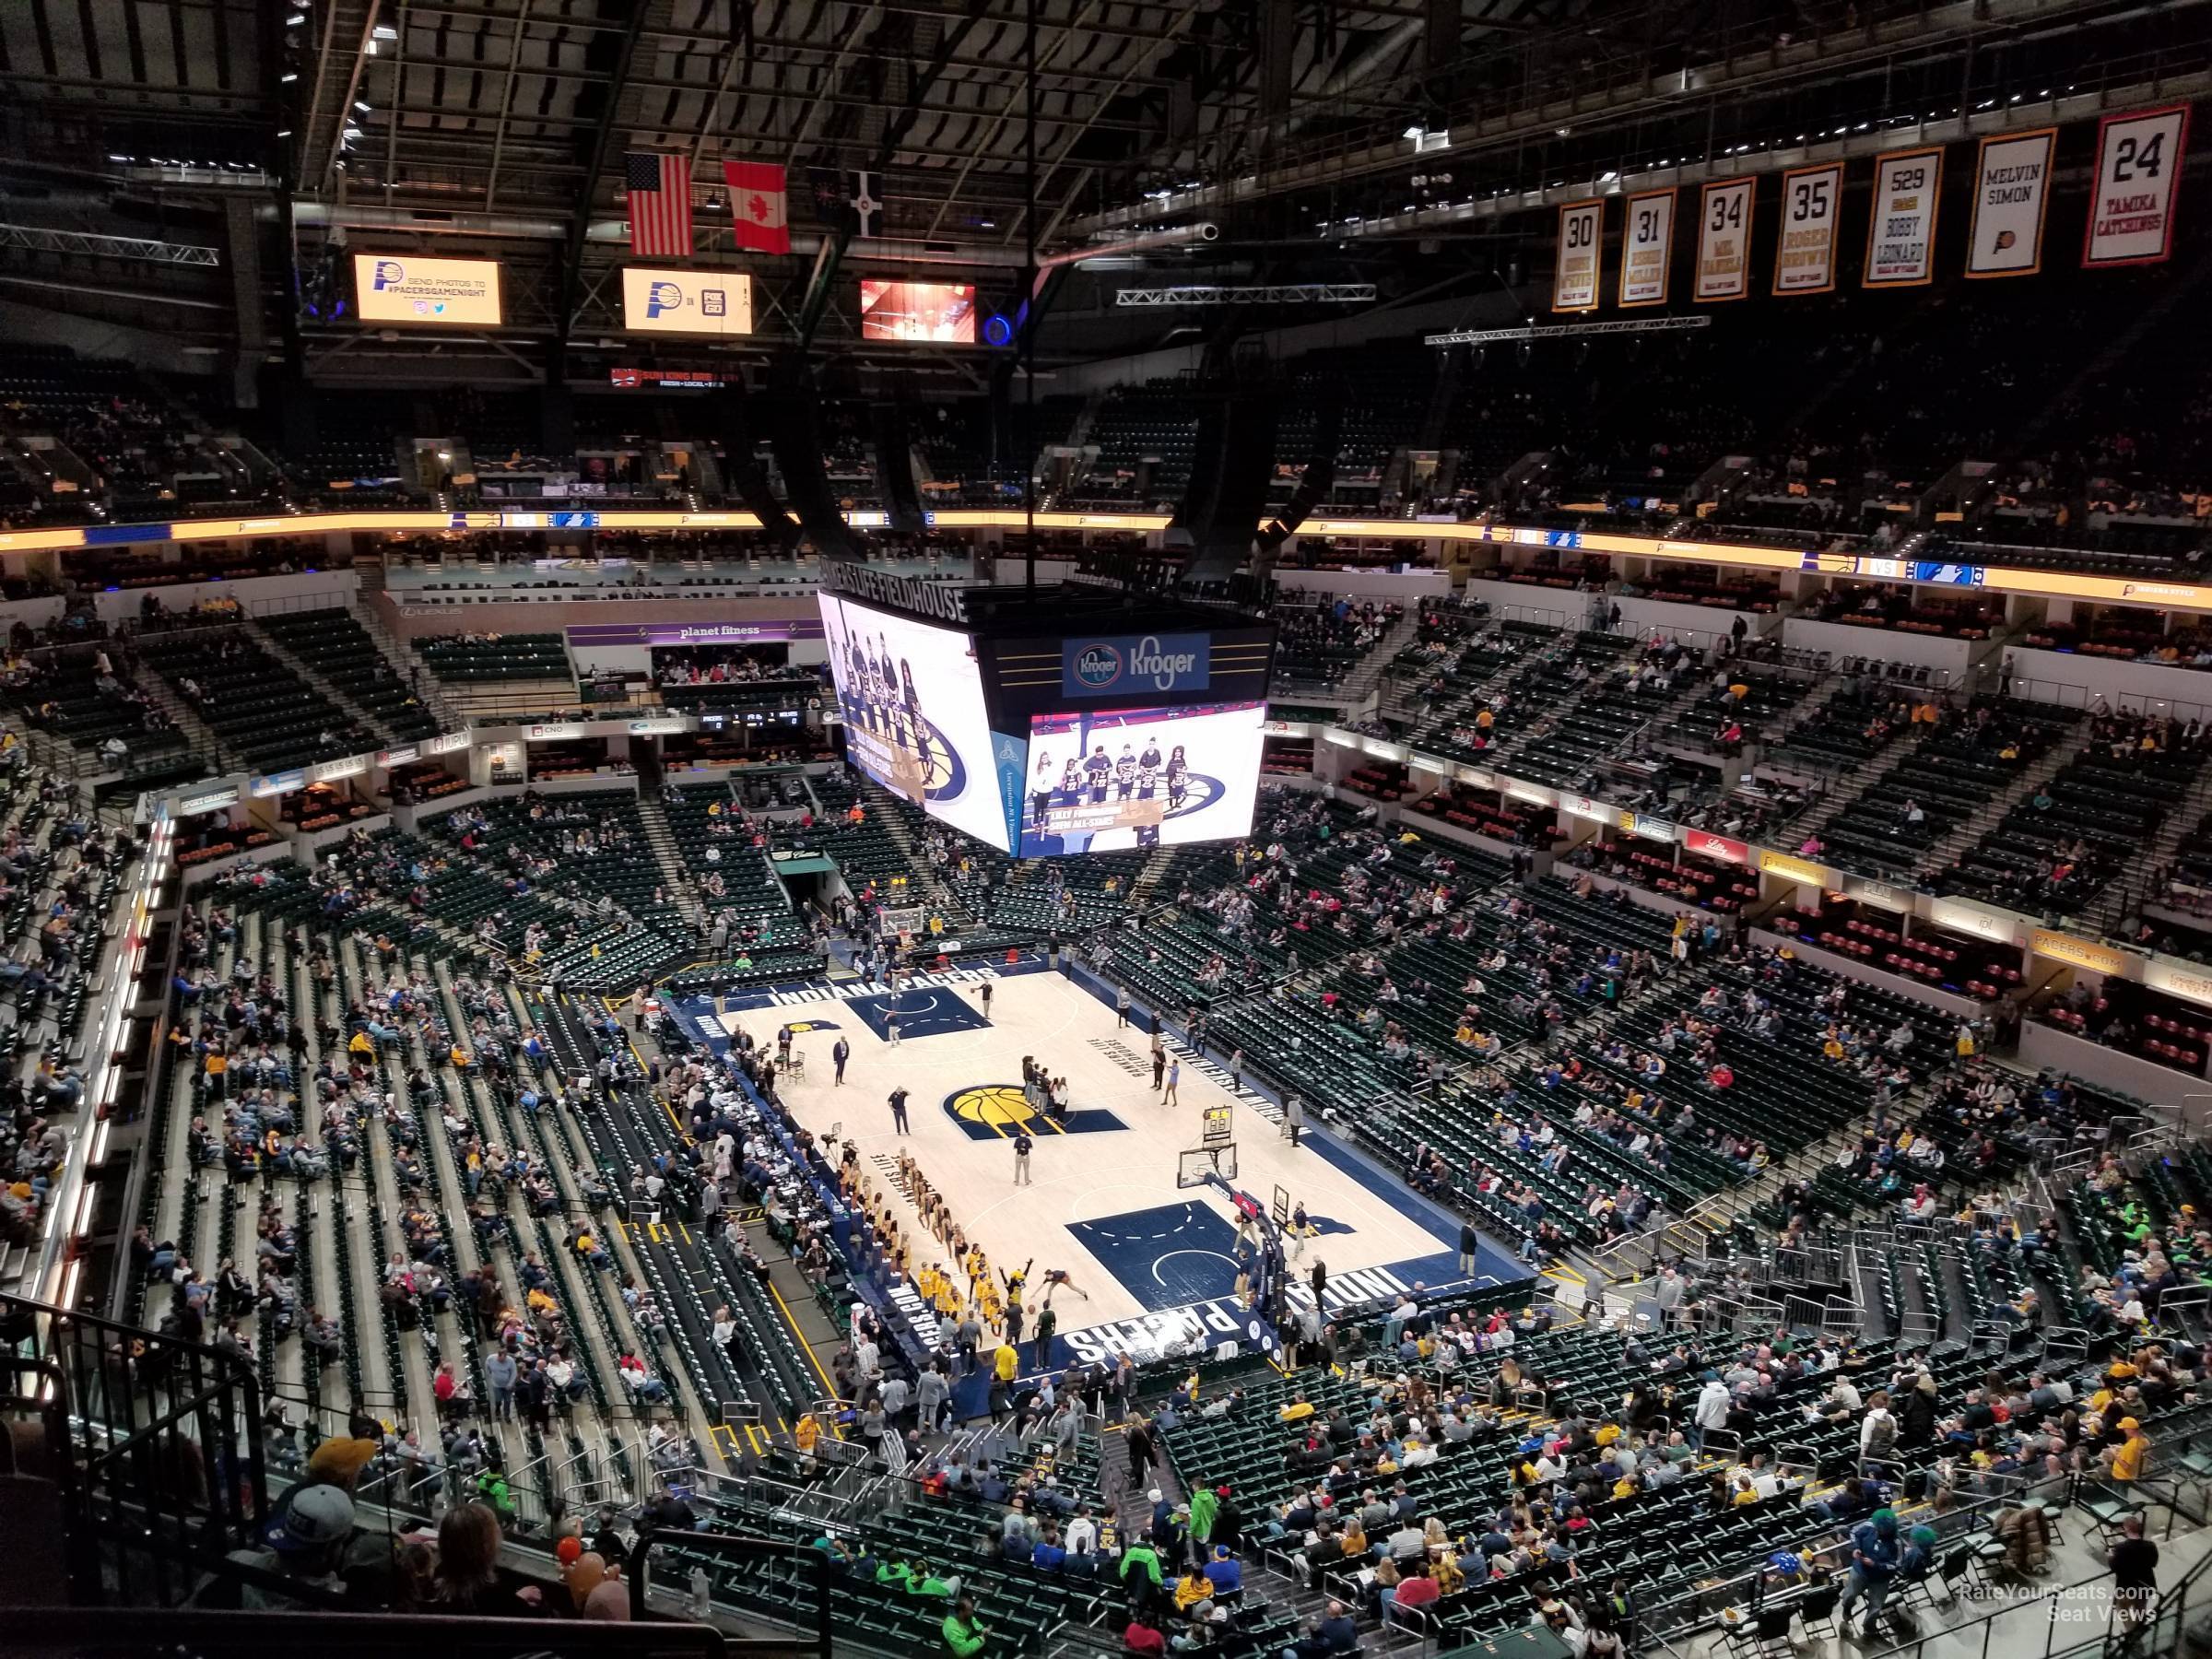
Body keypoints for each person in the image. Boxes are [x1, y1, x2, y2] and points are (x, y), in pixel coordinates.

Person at [1837, 1507, 1901, 1638]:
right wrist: (1856, 1548)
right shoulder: (1869, 1525)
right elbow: (1854, 1532)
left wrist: (1876, 1565)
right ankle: (1847, 1608)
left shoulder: (1896, 1542)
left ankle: (1869, 1626)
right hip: (1860, 1570)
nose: (1877, 1531)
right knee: (1850, 1594)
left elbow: (1896, 1564)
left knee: (1876, 1605)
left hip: (1880, 1578)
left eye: (1880, 1530)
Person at [2109, 1514, 2159, 1629]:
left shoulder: (2121, 1548)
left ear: (2125, 1528)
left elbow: (2114, 1567)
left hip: (2127, 1587)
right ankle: (2138, 1629)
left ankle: (2131, 1631)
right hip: (2145, 1586)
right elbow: (2153, 1563)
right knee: (2140, 1611)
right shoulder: (2151, 1546)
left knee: (2121, 1607)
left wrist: (2110, 1557)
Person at [942, 1592, 990, 1656]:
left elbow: (974, 1622)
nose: (972, 1612)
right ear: (961, 1612)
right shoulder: (951, 1627)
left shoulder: (967, 1617)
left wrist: (982, 1629)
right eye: (969, 1610)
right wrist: (980, 1639)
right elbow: (962, 1651)